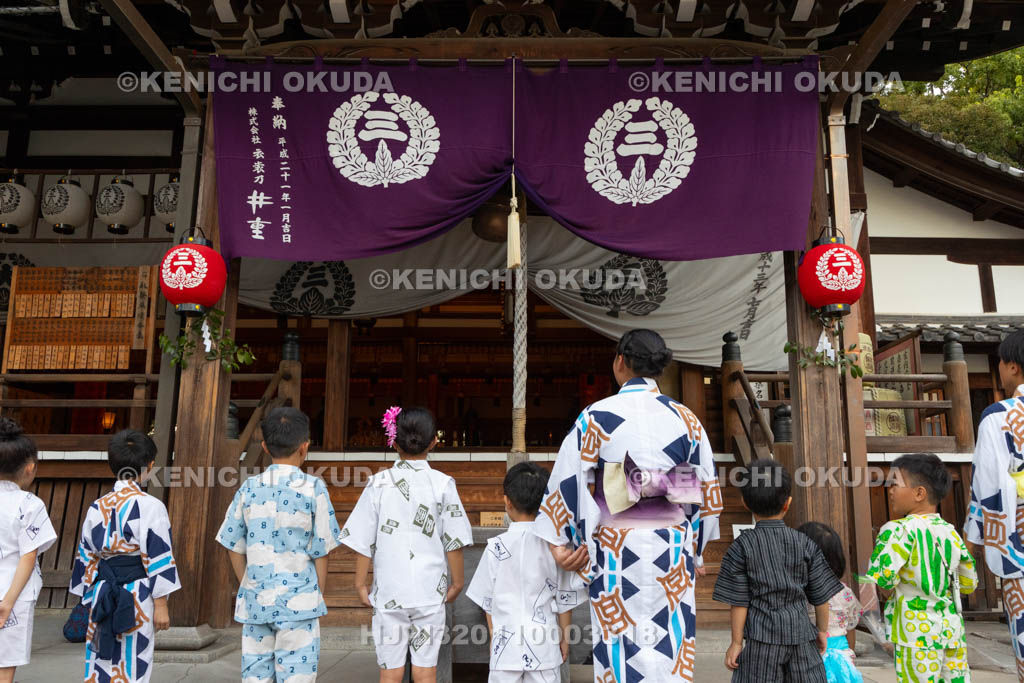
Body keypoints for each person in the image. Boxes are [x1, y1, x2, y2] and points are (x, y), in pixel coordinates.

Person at [532, 329, 723, 682]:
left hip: (615, 551)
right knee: (672, 640)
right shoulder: (686, 420)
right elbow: (704, 495)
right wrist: (693, 549)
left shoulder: (597, 416)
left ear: (620, 362)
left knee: (618, 642)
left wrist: (565, 543)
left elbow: (569, 482)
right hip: (671, 550)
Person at [341, 406, 473, 683]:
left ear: (393, 440)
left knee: (390, 672)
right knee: (426, 671)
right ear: (435, 441)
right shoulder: (443, 484)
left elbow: (364, 540)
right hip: (430, 591)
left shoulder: (378, 483)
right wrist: (457, 583)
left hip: (390, 590)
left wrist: (359, 584)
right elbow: (454, 542)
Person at [217, 406, 342, 683]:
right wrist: (317, 592)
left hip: (256, 602)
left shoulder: (249, 487)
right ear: (304, 447)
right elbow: (322, 549)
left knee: (256, 678)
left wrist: (247, 582)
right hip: (300, 601)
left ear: (263, 446)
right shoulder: (314, 488)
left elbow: (232, 544)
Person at [713, 458, 841, 683]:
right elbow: (821, 598)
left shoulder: (742, 546)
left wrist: (736, 642)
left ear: (745, 503)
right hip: (802, 638)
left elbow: (740, 601)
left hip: (761, 643)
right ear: (787, 503)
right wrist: (822, 631)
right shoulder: (805, 543)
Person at [69, 429, 180, 682]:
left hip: (102, 593)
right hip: (138, 594)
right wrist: (161, 605)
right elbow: (159, 555)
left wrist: (86, 598)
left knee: (101, 662)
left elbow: (86, 556)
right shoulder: (151, 506)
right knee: (134, 660)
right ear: (149, 465)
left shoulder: (98, 506)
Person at [466, 462, 584, 682]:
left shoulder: (495, 546)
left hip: (505, 649)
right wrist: (564, 636)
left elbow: (487, 602)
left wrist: (494, 637)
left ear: (507, 502)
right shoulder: (556, 548)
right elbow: (565, 600)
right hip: (544, 648)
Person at [865, 453, 976, 683]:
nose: (890, 489)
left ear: (919, 493)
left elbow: (883, 580)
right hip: (952, 632)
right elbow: (968, 584)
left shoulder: (896, 530)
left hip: (914, 635)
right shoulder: (951, 532)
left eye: (895, 483)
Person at [966, 329, 1024, 682]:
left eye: (1000, 363)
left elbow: (988, 482)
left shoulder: (1001, 415)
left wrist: (975, 536)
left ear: (1013, 367)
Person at [0, 418, 56, 683]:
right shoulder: (29, 504)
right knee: (5, 662)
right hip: (12, 589)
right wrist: (8, 601)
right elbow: (29, 554)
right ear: (30, 467)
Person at [798, 522, 864, 683]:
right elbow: (851, 628)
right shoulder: (845, 593)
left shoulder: (798, 593)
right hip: (841, 658)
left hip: (807, 659)